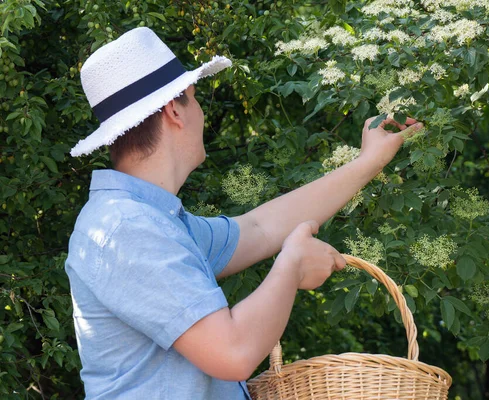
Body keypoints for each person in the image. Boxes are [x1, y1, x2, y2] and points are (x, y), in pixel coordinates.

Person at [65, 27, 423, 399]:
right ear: (174, 110)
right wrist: (292, 266)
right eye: (194, 98)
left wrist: (368, 163)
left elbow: (259, 227)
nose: (201, 112)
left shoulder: (153, 220)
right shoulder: (128, 228)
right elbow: (232, 352)